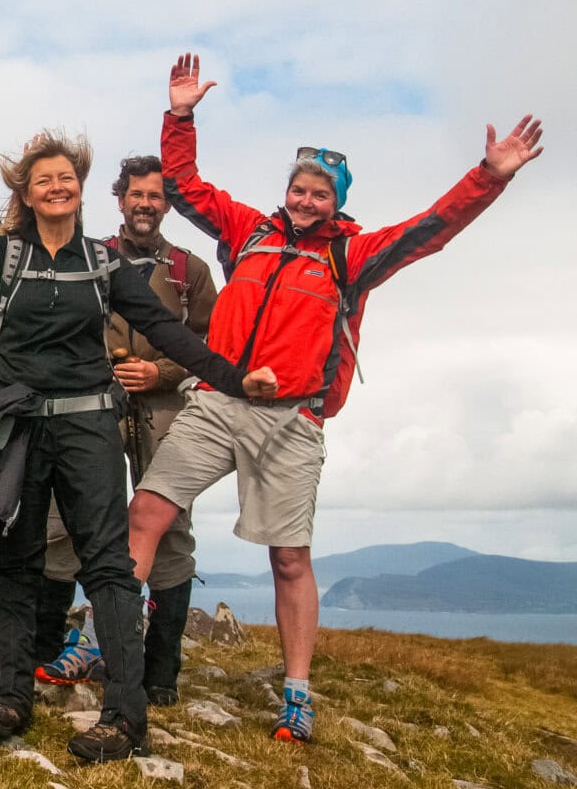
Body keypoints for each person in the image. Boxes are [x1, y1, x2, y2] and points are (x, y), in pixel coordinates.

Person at [128, 53, 545, 744]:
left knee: (289, 559)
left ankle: (296, 693)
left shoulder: (349, 256)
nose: (306, 200)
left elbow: (428, 230)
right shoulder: (248, 232)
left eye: (321, 193)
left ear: (337, 201)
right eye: (299, 189)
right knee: (146, 510)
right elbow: (185, 185)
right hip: (218, 401)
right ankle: (105, 636)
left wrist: (489, 177)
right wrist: (180, 115)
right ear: (286, 191)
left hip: (292, 420)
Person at [0, 132, 274, 763]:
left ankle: (124, 715)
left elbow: (167, 329)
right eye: (44, 181)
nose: (57, 187)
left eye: (67, 178)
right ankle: (11, 695)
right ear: (25, 195)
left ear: (79, 190)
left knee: (108, 565)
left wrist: (234, 378)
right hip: (18, 428)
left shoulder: (104, 264)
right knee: (15, 559)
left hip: (88, 428)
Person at [35, 155, 217, 707]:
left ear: (167, 204)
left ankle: (159, 673)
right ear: (119, 199)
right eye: (136, 194)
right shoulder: (91, 259)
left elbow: (211, 350)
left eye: (156, 196)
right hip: (94, 405)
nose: (145, 204)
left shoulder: (191, 271)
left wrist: (159, 372)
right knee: (63, 522)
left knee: (170, 530)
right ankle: (49, 650)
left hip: (165, 413)